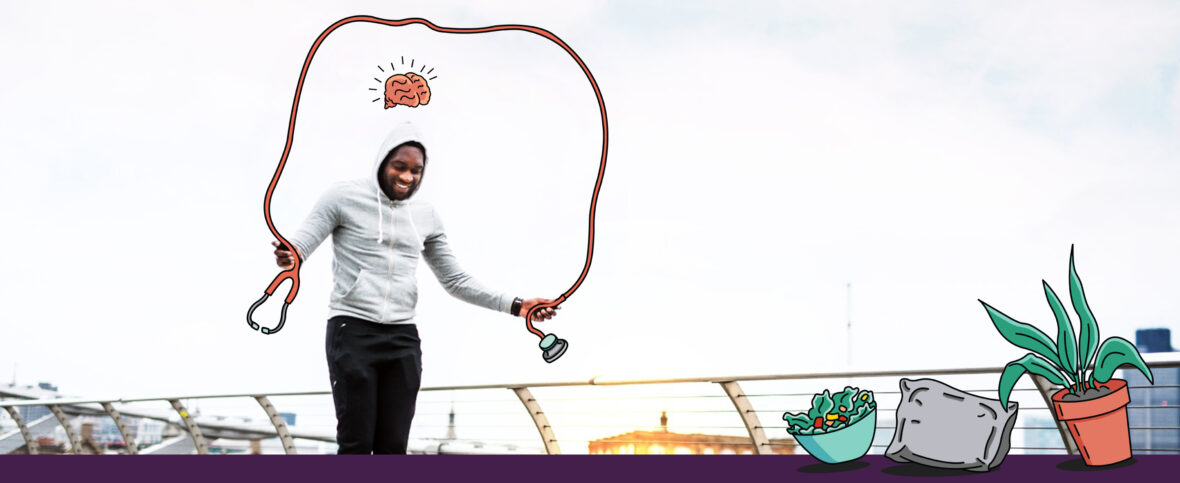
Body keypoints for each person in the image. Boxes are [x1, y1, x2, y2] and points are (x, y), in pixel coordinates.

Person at [271, 121, 559, 454]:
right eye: (400, 167)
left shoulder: (426, 215)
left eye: (416, 170)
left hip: (402, 339)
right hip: (352, 331)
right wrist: (289, 256)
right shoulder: (343, 196)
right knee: (356, 444)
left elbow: (455, 280)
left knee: (394, 447)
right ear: (383, 162)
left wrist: (517, 305)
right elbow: (299, 246)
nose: (408, 176)